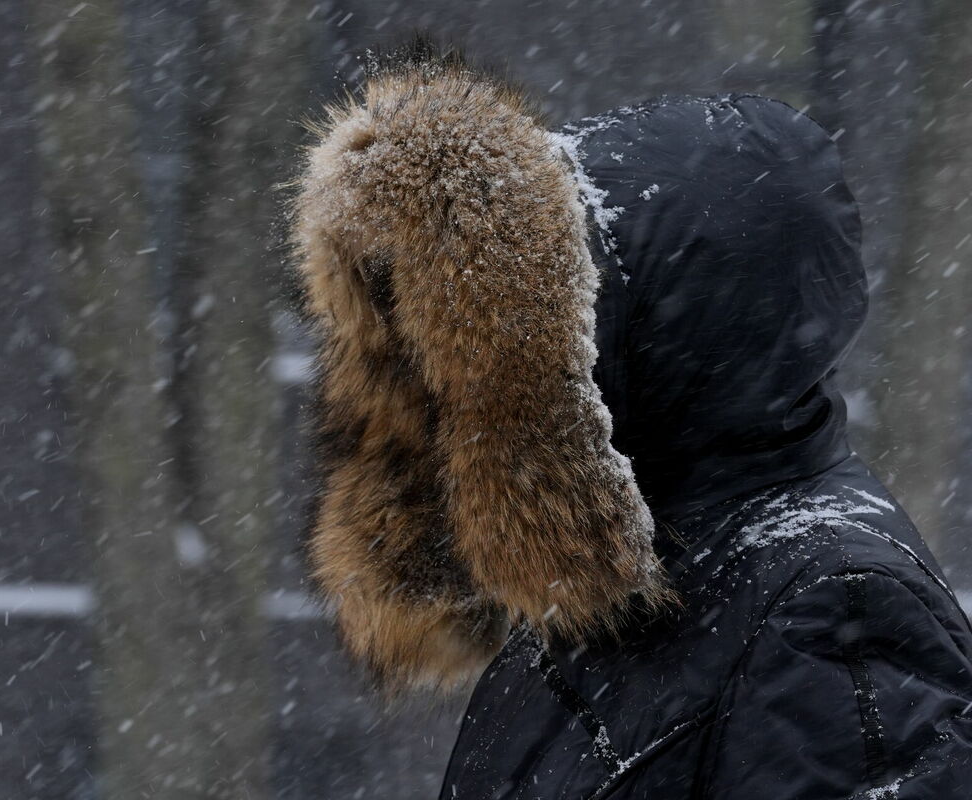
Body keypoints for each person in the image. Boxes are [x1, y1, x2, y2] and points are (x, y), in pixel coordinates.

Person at [291, 41, 972, 798]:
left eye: (532, 310)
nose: (479, 368)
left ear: (648, 329)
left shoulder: (834, 604)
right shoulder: (619, 587)